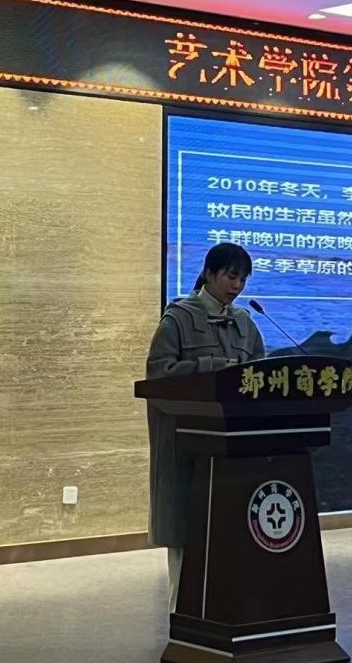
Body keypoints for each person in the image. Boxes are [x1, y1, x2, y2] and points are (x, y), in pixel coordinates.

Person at [145, 243, 265, 610]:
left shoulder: (245, 322)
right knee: (187, 541)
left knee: (230, 540)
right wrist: (213, 367)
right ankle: (182, 621)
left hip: (233, 454)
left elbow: (261, 376)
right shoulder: (178, 319)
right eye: (231, 276)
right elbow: (158, 375)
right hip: (188, 452)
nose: (237, 286)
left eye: (243, 279)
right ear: (209, 274)